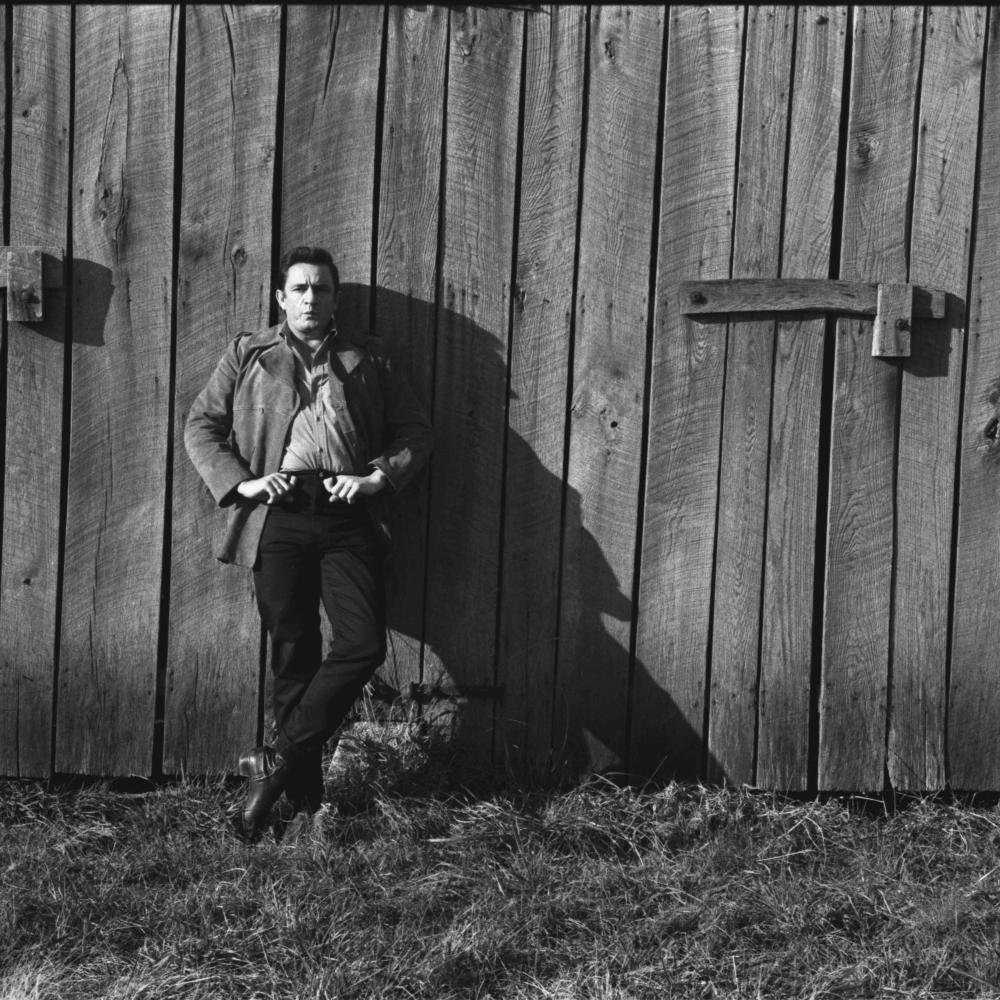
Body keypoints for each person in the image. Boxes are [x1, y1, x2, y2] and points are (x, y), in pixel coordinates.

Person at [184, 245, 432, 842]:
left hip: (348, 515)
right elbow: (201, 425)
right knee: (293, 652)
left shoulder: (367, 357)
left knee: (363, 643)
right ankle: (302, 809)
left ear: (335, 298)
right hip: (278, 516)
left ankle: (271, 764)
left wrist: (377, 476)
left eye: (321, 289)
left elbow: (417, 431)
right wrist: (242, 482)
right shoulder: (249, 353)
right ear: (281, 297)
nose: (311, 299)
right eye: (300, 289)